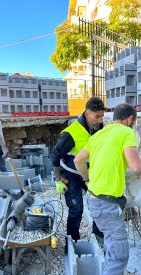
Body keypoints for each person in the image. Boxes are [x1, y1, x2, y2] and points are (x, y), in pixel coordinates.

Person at [74, 103, 141, 275]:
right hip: (107, 204)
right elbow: (136, 167)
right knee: (120, 253)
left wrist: (87, 179)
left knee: (110, 242)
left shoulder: (98, 135)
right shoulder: (125, 132)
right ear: (130, 119)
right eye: (133, 122)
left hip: (94, 199)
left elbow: (78, 160)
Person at [50, 97, 105, 245]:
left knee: (99, 203)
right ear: (87, 113)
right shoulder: (70, 133)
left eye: (102, 116)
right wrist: (57, 180)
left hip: (88, 173)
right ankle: (73, 242)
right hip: (70, 173)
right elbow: (54, 155)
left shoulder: (99, 129)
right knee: (76, 209)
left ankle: (98, 237)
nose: (100, 120)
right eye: (97, 116)